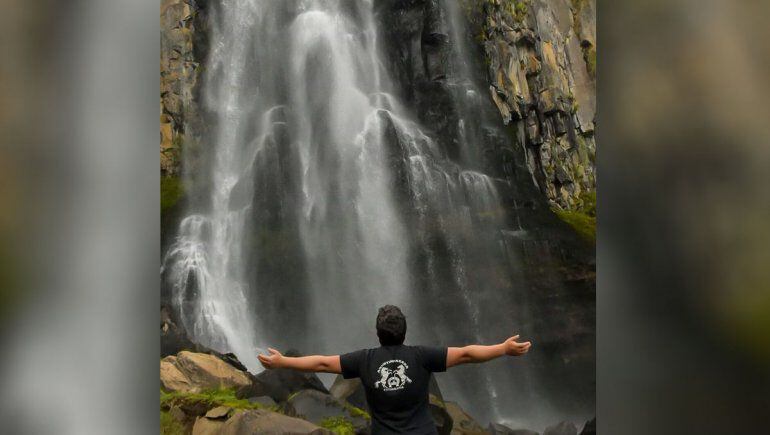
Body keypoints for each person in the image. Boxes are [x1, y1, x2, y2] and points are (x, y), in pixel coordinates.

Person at [257, 305, 532, 435]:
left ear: (377, 333)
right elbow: (467, 354)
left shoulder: (365, 360)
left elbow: (323, 363)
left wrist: (282, 362)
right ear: (404, 332)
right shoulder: (422, 357)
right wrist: (503, 349)